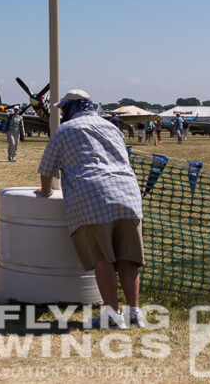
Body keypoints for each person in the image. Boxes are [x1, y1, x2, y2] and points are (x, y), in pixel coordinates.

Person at [35, 89, 144, 329]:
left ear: (70, 108)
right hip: (128, 193)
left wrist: (45, 191)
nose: (62, 113)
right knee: (129, 257)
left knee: (102, 258)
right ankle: (134, 312)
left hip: (93, 196)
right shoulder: (111, 127)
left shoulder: (65, 130)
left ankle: (113, 316)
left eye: (63, 109)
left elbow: (46, 170)